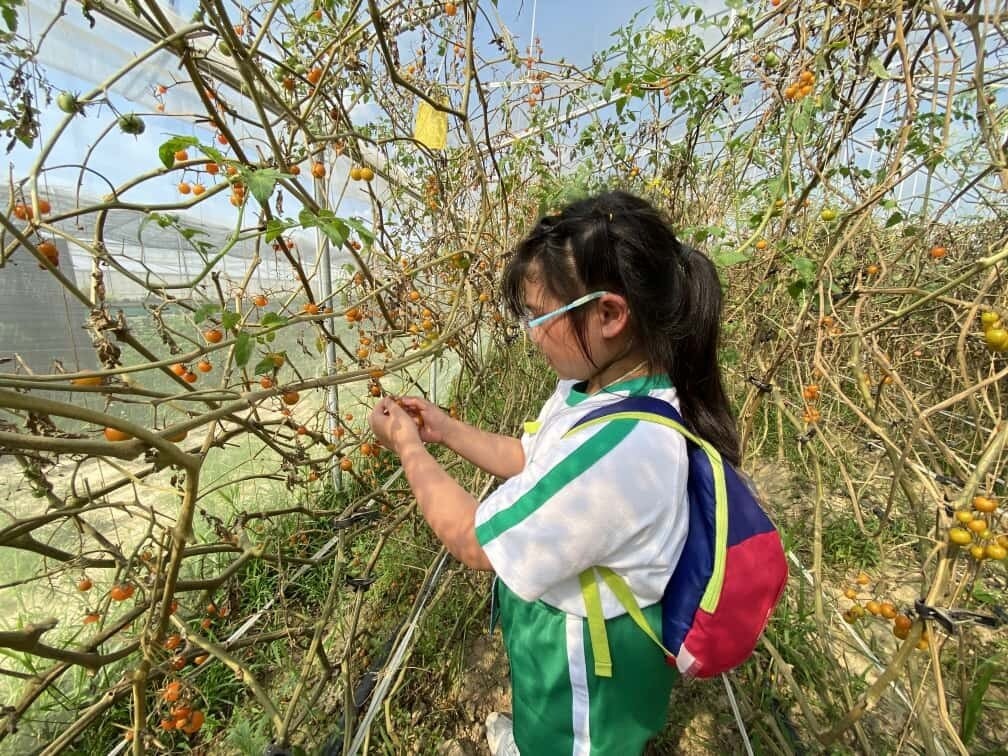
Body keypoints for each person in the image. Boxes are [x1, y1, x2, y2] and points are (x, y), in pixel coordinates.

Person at [368, 190, 740, 755]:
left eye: (541, 317)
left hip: (592, 657)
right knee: (544, 729)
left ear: (609, 313)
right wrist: (444, 430)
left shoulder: (623, 451)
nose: (534, 334)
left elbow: (472, 539)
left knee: (575, 743)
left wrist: (409, 451)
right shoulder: (600, 390)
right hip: (569, 629)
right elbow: (533, 456)